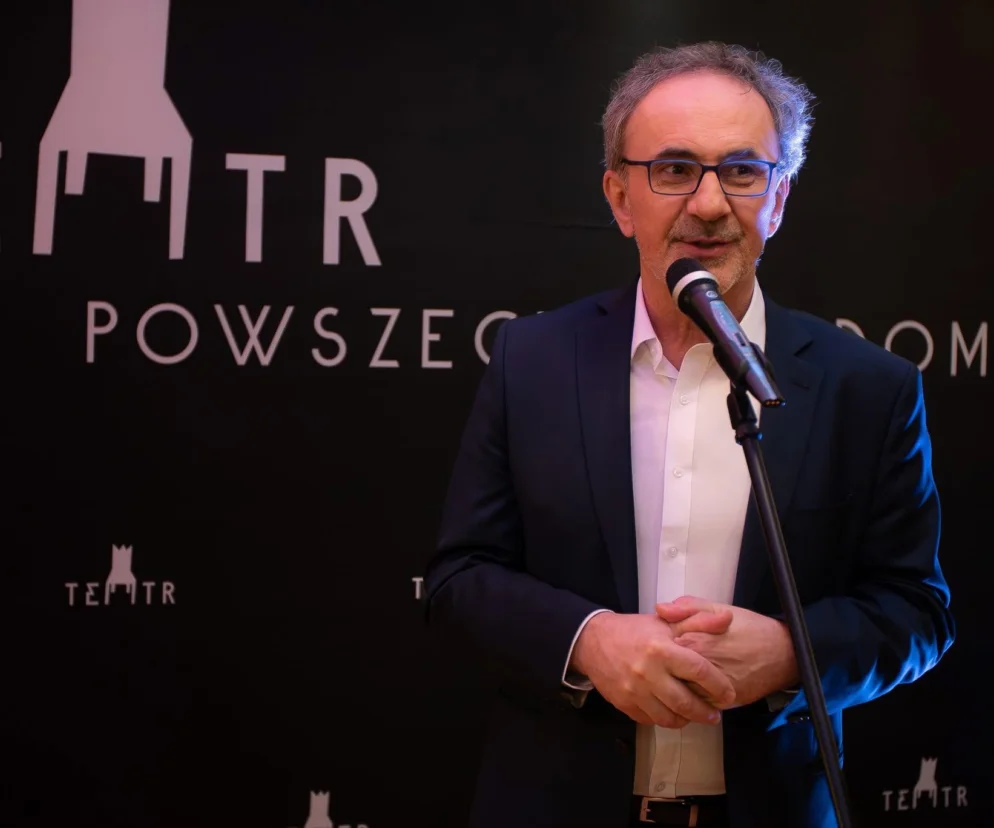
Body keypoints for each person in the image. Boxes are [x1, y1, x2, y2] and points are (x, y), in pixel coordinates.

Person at [422, 41, 954, 828]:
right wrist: (588, 642)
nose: (708, 204)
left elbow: (916, 612)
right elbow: (460, 580)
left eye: (741, 171)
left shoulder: (869, 388)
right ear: (619, 197)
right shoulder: (531, 360)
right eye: (673, 169)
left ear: (778, 198)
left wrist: (790, 653)